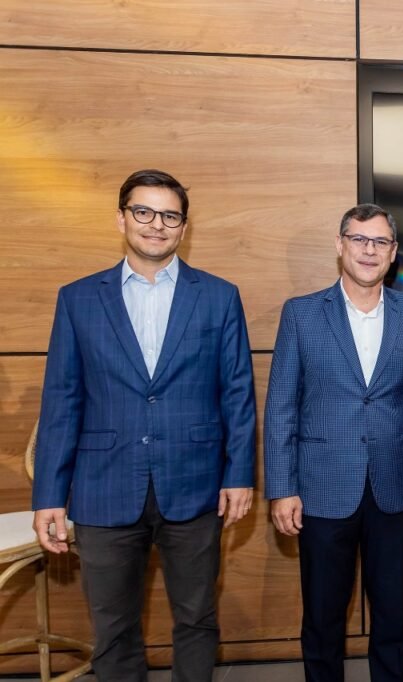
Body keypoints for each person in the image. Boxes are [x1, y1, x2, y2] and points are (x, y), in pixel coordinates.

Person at [31, 169, 257, 681]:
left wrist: (239, 474)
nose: (157, 224)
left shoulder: (219, 296)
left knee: (197, 618)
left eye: (170, 216)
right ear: (121, 218)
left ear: (184, 227)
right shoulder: (78, 299)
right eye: (144, 212)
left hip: (196, 484)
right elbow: (62, 401)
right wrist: (49, 495)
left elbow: (237, 394)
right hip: (103, 486)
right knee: (113, 629)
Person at [263, 203, 403, 682]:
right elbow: (281, 406)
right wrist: (282, 488)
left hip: (397, 486)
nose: (369, 250)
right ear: (340, 245)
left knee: (393, 613)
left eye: (380, 242)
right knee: (323, 615)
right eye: (359, 239)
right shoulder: (301, 314)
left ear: (393, 252)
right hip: (322, 488)